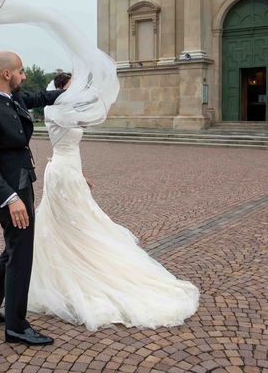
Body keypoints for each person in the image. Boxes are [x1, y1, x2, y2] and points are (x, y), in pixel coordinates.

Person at [27, 72, 199, 331]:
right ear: (61, 88)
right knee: (68, 222)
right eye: (72, 87)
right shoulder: (54, 111)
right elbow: (85, 123)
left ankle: (78, 260)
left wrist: (81, 174)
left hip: (70, 169)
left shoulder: (67, 111)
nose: (77, 91)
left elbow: (72, 142)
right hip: (61, 172)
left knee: (80, 219)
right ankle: (71, 270)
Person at [0, 51, 64, 346]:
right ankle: (16, 327)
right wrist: (10, 198)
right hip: (10, 192)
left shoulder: (14, 97)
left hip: (22, 183)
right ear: (7, 74)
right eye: (21, 71)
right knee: (20, 254)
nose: (24, 76)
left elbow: (38, 98)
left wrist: (66, 92)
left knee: (13, 247)